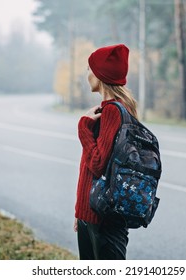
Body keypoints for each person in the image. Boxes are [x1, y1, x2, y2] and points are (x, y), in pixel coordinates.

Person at [73, 44, 138, 260]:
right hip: (91, 214)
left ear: (100, 75)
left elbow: (97, 163)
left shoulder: (112, 111)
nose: (87, 74)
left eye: (90, 68)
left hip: (101, 219)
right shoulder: (111, 109)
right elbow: (89, 170)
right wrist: (79, 212)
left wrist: (83, 127)